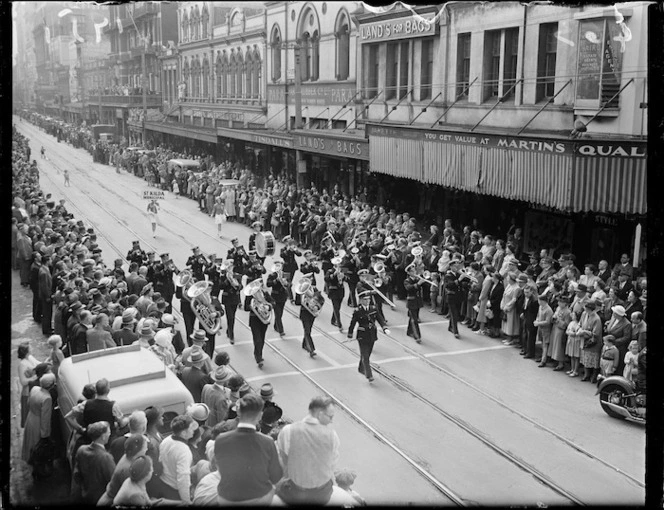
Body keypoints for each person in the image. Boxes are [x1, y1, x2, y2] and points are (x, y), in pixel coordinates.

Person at [214, 393, 283, 505]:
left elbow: (220, 469)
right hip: (257, 498)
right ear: (260, 415)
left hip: (226, 498)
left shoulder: (220, 439)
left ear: (239, 412)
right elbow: (276, 477)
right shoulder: (268, 442)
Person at [276, 396, 342, 505]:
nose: (331, 421)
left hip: (294, 492)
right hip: (323, 494)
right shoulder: (332, 435)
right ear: (320, 415)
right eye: (330, 417)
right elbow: (332, 465)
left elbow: (283, 461)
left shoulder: (288, 431)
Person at [152, 414, 198, 503]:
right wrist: (186, 501)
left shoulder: (166, 440)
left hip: (163, 484)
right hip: (175, 491)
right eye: (191, 428)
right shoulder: (184, 451)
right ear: (183, 433)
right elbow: (183, 479)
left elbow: (161, 460)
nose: (194, 430)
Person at [347, 290, 389, 382]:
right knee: (365, 355)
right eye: (365, 299)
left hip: (372, 334)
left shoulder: (373, 308)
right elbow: (353, 323)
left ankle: (361, 368)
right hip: (362, 335)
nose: (368, 301)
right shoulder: (358, 311)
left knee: (367, 354)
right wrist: (350, 334)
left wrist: (384, 328)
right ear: (361, 300)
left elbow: (380, 319)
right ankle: (369, 374)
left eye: (369, 299)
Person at [71, 421, 115, 504]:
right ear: (103, 437)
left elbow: (77, 475)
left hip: (85, 496)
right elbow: (113, 481)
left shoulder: (81, 450)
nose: (110, 434)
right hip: (101, 499)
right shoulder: (106, 457)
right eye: (108, 432)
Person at [97, 433, 148, 505]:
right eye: (145, 448)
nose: (146, 450)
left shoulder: (129, 456)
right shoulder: (128, 470)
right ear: (138, 450)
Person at [22, 373, 55, 464]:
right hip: (38, 421)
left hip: (31, 417)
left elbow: (29, 402)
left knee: (29, 440)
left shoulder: (34, 389)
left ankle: (28, 458)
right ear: (51, 385)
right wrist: (45, 435)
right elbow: (45, 419)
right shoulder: (47, 398)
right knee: (36, 444)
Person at [244, 279, 274, 368]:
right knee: (257, 339)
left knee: (262, 338)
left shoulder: (265, 294)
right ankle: (258, 357)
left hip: (264, 319)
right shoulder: (250, 296)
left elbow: (273, 302)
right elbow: (246, 307)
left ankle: (258, 353)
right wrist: (254, 307)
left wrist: (268, 306)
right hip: (254, 319)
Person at [17, 342, 40, 428]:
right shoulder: (22, 364)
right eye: (30, 347)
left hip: (34, 389)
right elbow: (23, 382)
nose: (32, 348)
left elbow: (39, 364)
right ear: (26, 351)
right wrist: (33, 378)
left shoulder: (30, 357)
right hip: (28, 392)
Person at [550, 295, 572, 371]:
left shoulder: (568, 312)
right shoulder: (558, 308)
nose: (559, 303)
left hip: (560, 330)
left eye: (561, 302)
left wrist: (557, 320)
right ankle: (555, 359)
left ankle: (560, 363)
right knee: (554, 345)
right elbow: (555, 314)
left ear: (565, 303)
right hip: (555, 328)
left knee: (559, 347)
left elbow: (566, 323)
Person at [404, 264, 423, 343]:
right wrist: (418, 284)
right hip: (411, 301)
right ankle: (417, 336)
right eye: (412, 271)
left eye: (414, 271)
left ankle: (409, 331)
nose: (414, 272)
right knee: (414, 320)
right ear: (409, 273)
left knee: (413, 317)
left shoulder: (417, 279)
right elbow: (409, 288)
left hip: (417, 301)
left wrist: (423, 280)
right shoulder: (407, 281)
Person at [534, 294, 553, 366]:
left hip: (546, 330)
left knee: (545, 345)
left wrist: (538, 323)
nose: (538, 302)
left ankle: (543, 360)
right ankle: (543, 357)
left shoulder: (548, 310)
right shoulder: (540, 307)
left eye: (539, 300)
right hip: (540, 328)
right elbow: (538, 315)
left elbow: (548, 322)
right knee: (542, 343)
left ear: (543, 301)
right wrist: (537, 320)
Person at [565, 311, 582, 377]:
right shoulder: (571, 323)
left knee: (576, 356)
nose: (572, 316)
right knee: (572, 356)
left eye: (574, 315)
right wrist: (569, 332)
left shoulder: (578, 324)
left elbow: (577, 332)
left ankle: (576, 370)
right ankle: (572, 369)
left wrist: (573, 333)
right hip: (571, 340)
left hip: (576, 341)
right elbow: (567, 330)